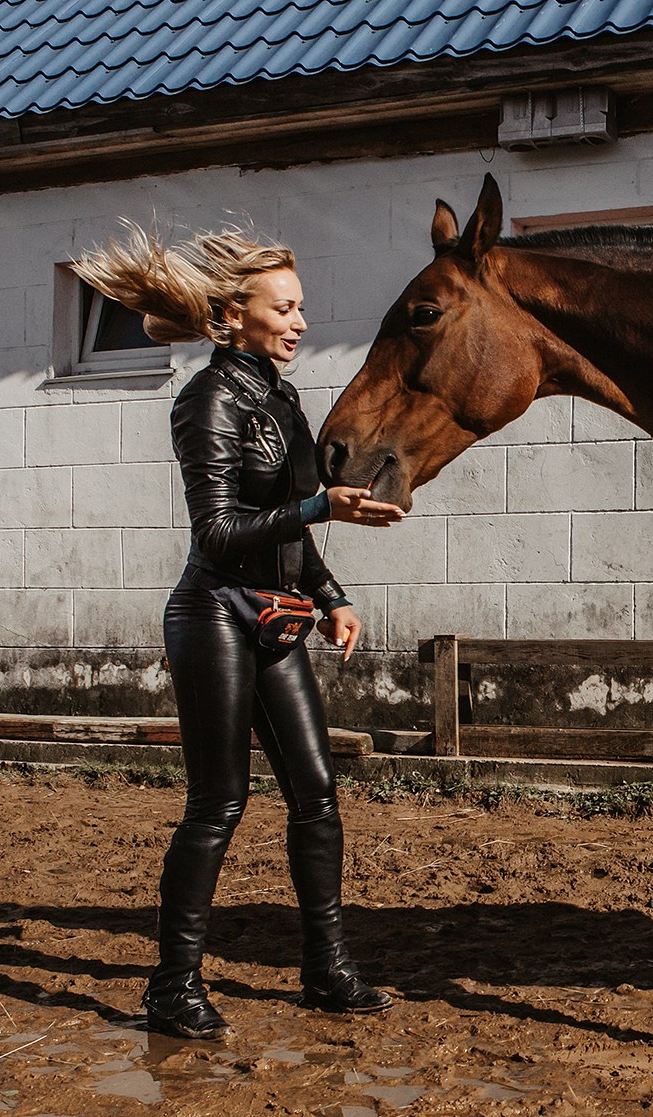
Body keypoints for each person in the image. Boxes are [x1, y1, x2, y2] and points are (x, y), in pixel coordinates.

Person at [75, 226, 406, 1039]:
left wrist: (332, 596)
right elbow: (220, 532)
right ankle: (171, 987)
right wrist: (321, 505)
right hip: (215, 614)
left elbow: (291, 525)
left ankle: (327, 971)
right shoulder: (208, 399)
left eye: (301, 308)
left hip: (277, 618)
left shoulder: (282, 398)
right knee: (218, 802)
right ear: (233, 314)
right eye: (283, 308)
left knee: (317, 793)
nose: (299, 321)